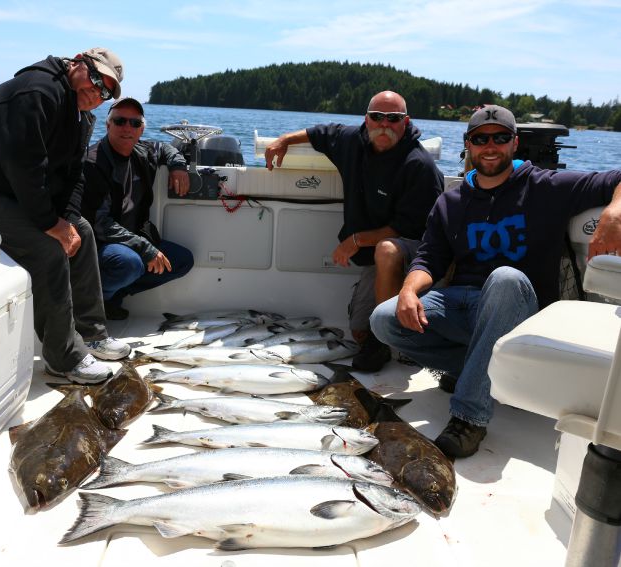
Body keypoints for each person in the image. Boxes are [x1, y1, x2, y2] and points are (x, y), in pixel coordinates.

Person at [370, 104, 621, 459]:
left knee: (504, 278)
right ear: (469, 145)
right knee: (384, 318)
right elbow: (429, 259)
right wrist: (409, 290)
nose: (491, 146)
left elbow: (616, 179)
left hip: (522, 309)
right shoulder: (450, 201)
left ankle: (469, 416)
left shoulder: (546, 186)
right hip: (464, 304)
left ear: (514, 143)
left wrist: (615, 209)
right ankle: (484, 372)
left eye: (500, 138)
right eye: (481, 139)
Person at [0, 47, 132, 384]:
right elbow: (24, 167)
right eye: (95, 79)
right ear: (77, 62)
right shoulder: (37, 91)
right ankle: (63, 358)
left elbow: (73, 174)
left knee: (81, 230)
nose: (96, 93)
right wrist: (51, 225)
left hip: (7, 187)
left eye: (106, 92)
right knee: (47, 247)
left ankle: (92, 332)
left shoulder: (77, 111)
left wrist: (67, 219)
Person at [265, 91, 444, 372]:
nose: (384, 124)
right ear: (367, 119)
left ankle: (383, 339)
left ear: (406, 122)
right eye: (377, 117)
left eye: (393, 118)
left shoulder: (419, 165)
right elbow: (320, 133)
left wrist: (356, 240)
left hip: (417, 257)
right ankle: (377, 328)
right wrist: (284, 139)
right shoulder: (353, 141)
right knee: (357, 329)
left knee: (386, 249)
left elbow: (410, 228)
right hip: (378, 259)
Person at [80, 97, 194, 320]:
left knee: (182, 260)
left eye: (134, 123)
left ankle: (114, 296)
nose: (127, 128)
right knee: (128, 263)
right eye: (120, 121)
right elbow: (99, 223)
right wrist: (145, 248)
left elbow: (165, 147)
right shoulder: (93, 163)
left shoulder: (143, 151)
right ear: (108, 125)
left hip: (134, 239)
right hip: (101, 243)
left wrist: (178, 166)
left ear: (141, 129)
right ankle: (89, 303)